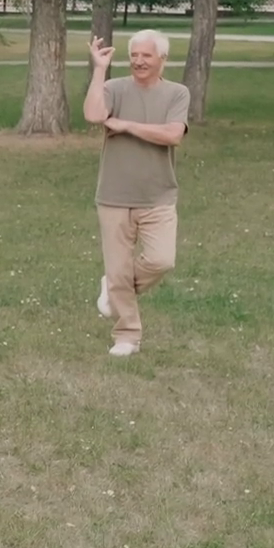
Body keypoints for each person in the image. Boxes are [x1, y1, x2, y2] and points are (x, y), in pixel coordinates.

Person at [84, 31, 189, 356]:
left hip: (158, 195)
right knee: (117, 268)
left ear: (162, 59)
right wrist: (99, 70)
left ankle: (114, 288)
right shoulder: (115, 88)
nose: (139, 61)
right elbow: (93, 115)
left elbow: (173, 135)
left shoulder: (177, 93)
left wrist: (126, 125)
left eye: (146, 55)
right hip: (113, 195)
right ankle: (127, 336)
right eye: (134, 55)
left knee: (161, 260)